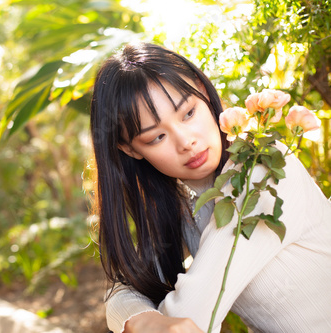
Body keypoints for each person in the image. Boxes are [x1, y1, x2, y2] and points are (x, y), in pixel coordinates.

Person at [89, 42, 331, 333]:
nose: (186, 141)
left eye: (188, 113)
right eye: (157, 137)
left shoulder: (261, 171)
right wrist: (141, 319)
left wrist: (150, 320)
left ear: (203, 92)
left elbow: (192, 314)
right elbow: (123, 290)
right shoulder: (181, 203)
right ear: (131, 150)